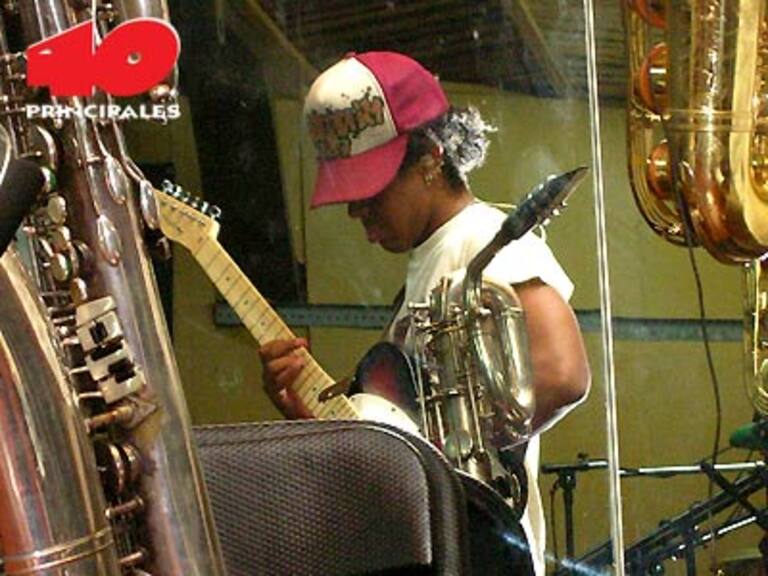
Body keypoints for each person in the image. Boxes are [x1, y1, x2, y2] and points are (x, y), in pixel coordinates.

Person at [259, 50, 590, 575]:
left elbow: (562, 374)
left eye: (371, 188)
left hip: (475, 554)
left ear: (430, 159)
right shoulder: (431, 262)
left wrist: (427, 462)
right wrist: (319, 424)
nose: (356, 209)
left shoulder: (482, 239)